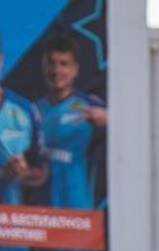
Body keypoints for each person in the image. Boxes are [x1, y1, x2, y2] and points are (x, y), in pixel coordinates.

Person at [36, 34, 106, 212]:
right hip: (40, 212)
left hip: (79, 210)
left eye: (64, 64)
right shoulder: (33, 110)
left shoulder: (88, 105)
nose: (56, 70)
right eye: (51, 63)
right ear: (43, 67)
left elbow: (130, 121)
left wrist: (108, 117)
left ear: (75, 69)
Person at [0, 34, 46, 208]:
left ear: (1, 60)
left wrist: (23, 172)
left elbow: (40, 171)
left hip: (12, 219)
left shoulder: (25, 109)